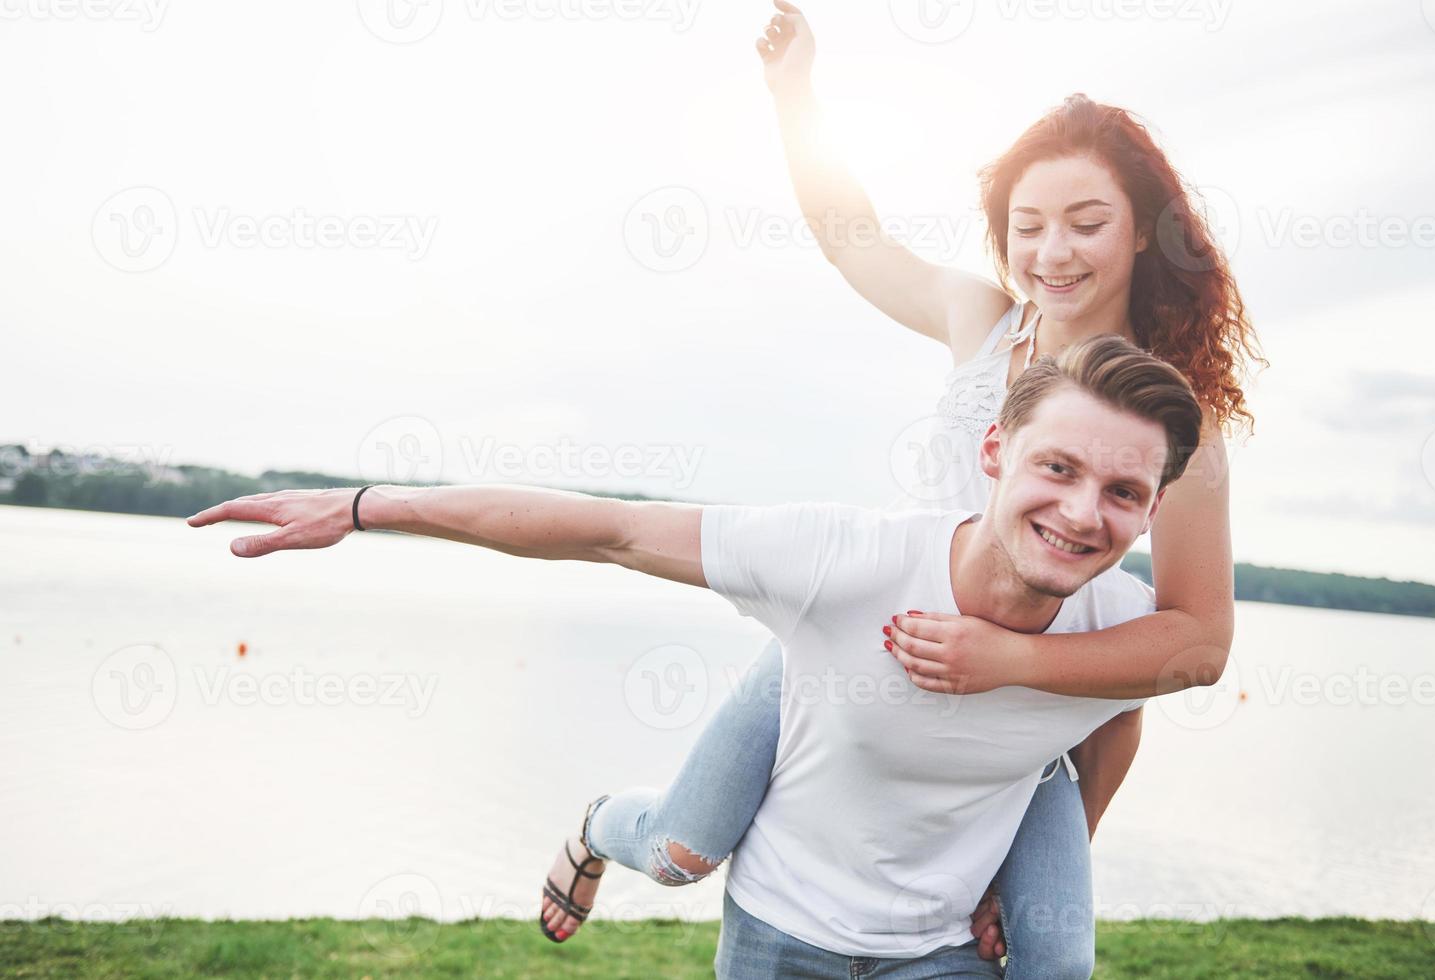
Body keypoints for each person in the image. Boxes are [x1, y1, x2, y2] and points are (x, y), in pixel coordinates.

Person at [536, 4, 1265, 974]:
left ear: (1140, 232)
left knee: (1051, 958)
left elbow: (1194, 637)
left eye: (1085, 224)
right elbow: (852, 239)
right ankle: (595, 823)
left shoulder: (1175, 423)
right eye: (1027, 226)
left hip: (1027, 705)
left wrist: (1003, 659)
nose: (1052, 253)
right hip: (860, 640)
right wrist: (793, 95)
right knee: (681, 846)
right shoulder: (981, 320)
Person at [185, 334, 1202, 976]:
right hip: (780, 928)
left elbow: (1119, 709)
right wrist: (364, 506)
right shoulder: (844, 559)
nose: (1080, 513)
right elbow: (603, 528)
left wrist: (1026, 885)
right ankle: (595, 825)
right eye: (1054, 468)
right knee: (676, 850)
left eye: (1119, 492)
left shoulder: (1124, 627)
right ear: (992, 453)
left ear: (1152, 506)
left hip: (936, 952)